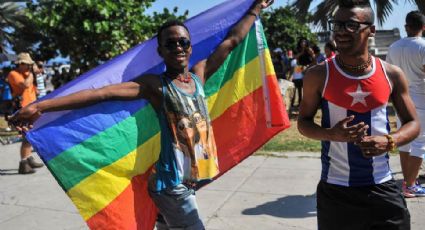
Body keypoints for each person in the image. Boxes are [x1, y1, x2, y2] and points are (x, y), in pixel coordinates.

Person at [9, 1, 273, 229]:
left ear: (190, 48)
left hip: (189, 181)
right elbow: (103, 94)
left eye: (183, 42)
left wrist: (256, 8)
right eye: (171, 44)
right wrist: (42, 107)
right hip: (172, 186)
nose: (179, 47)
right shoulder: (155, 86)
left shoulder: (199, 76)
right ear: (161, 51)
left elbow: (232, 41)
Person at [297, 1, 419, 229]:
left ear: (371, 29)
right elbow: (303, 122)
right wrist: (330, 134)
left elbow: (413, 123)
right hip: (336, 191)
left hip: (383, 187)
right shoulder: (318, 75)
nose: (341, 31)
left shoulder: (391, 74)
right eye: (337, 24)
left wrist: (389, 140)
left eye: (351, 25)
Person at [386, 11, 425, 198]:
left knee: (404, 142)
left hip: (401, 100)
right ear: (423, 27)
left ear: (406, 26)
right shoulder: (423, 46)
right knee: (420, 143)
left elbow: (389, 75)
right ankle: (409, 185)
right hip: (420, 98)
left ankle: (407, 182)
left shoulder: (393, 46)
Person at [7, 52, 44, 174]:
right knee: (26, 135)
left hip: (32, 107)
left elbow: (34, 88)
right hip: (22, 109)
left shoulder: (27, 73)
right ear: (20, 64)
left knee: (30, 134)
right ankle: (23, 163)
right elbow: (25, 84)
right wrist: (32, 74)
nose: (29, 67)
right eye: (27, 64)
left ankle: (29, 158)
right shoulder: (14, 74)